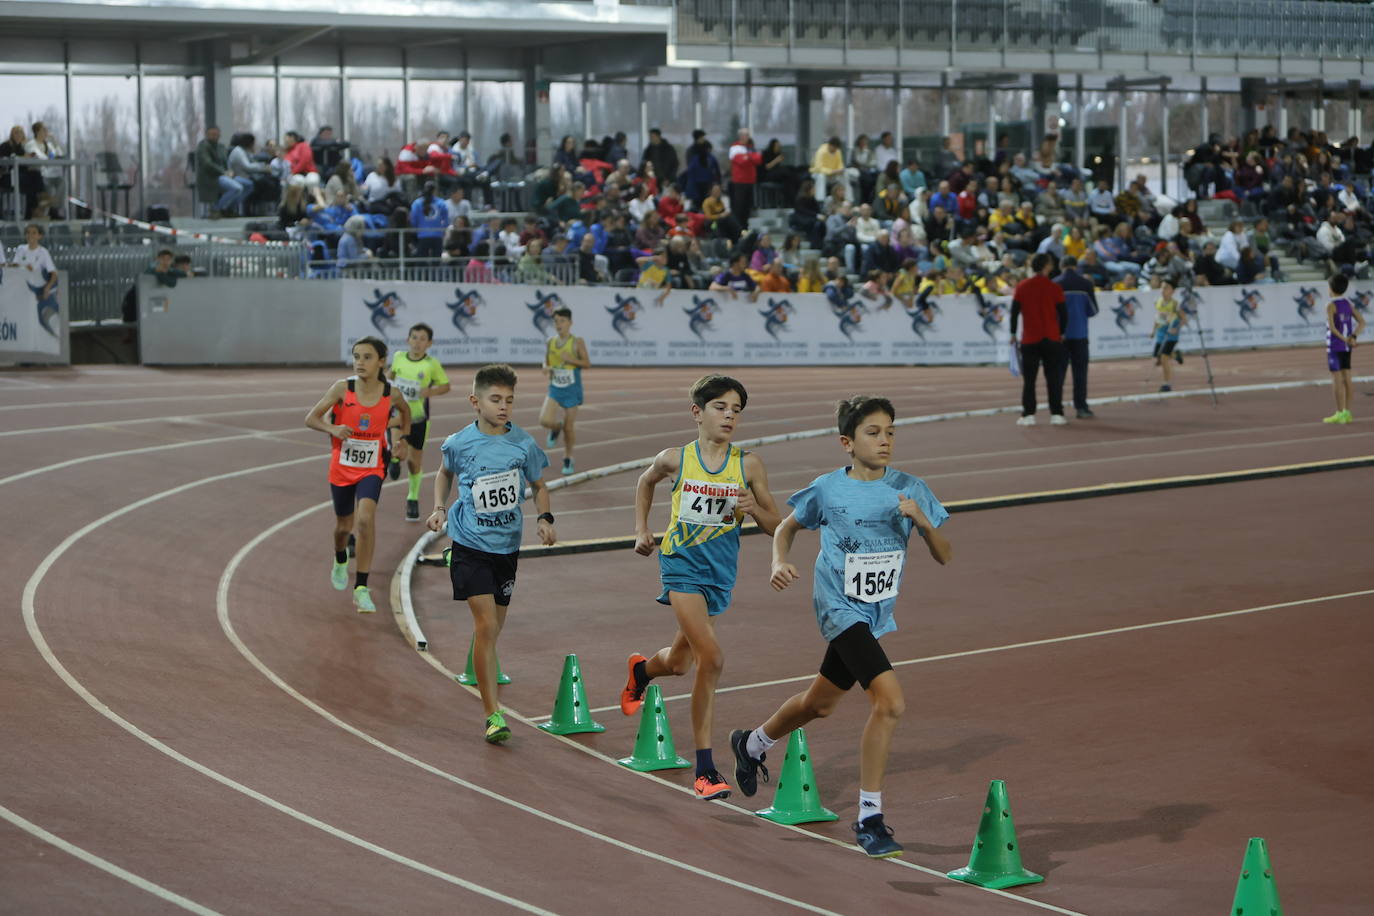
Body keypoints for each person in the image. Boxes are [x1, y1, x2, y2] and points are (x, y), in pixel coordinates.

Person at [729, 395, 951, 858]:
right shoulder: (828, 489)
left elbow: (945, 553)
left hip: (875, 611)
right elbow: (787, 527)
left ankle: (751, 743)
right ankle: (870, 818)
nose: (885, 440)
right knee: (890, 703)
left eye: (891, 431)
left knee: (820, 703)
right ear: (847, 442)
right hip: (837, 606)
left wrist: (923, 521)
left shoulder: (911, 488)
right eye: (873, 432)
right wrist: (778, 560)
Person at [622, 376, 783, 799]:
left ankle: (642, 670)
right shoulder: (676, 459)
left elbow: (777, 526)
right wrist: (641, 530)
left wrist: (754, 508)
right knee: (711, 658)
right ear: (697, 413)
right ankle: (706, 769)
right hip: (680, 567)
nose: (729, 415)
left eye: (736, 409)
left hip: (719, 577)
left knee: (679, 663)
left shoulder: (748, 465)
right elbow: (644, 482)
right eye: (719, 407)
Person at [427, 364, 557, 743]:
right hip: (470, 542)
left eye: (510, 400)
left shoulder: (523, 445)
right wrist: (438, 508)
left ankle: (456, 567)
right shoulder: (459, 443)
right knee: (485, 627)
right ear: (475, 401)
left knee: (494, 630)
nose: (504, 407)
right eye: (495, 399)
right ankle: (492, 715)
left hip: (507, 546)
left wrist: (545, 518)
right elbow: (443, 472)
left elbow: (540, 485)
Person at [305, 336, 412, 613]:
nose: (360, 362)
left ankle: (362, 588)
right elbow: (311, 418)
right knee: (343, 527)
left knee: (365, 520)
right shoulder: (343, 388)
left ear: (381, 361)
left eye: (366, 357)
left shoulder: (392, 393)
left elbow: (406, 412)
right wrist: (333, 429)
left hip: (372, 467)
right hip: (342, 466)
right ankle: (340, 557)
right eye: (356, 357)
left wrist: (404, 440)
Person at [386, 323, 451, 520]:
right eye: (414, 337)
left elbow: (445, 385)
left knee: (415, 463)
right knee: (397, 447)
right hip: (398, 414)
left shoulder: (431, 364)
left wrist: (429, 391)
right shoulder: (398, 357)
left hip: (419, 417)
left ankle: (412, 497)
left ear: (429, 343)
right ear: (408, 339)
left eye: (422, 339)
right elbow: (390, 376)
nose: (417, 342)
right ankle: (395, 460)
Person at [1010, 253, 1069, 425]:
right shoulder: (1054, 288)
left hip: (1030, 339)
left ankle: (1028, 414)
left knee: (1029, 379)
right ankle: (1056, 413)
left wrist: (1013, 333)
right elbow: (1064, 314)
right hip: (1051, 337)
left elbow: (1014, 312)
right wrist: (1061, 332)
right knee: (1053, 378)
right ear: (1046, 266)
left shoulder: (1022, 287)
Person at [536, 306, 592, 475]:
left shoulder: (577, 342)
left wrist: (571, 359)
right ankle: (555, 427)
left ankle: (568, 457)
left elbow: (587, 364)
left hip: (572, 389)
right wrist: (546, 368)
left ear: (570, 323)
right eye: (556, 322)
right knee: (544, 420)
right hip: (555, 387)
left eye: (562, 321)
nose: (558, 324)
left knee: (570, 427)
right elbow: (545, 361)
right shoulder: (550, 342)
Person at [1052, 256, 1100, 418]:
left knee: (1058, 373)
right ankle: (1081, 407)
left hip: (1060, 336)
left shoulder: (1055, 284)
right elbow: (1093, 310)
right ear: (1076, 266)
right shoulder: (1085, 284)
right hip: (1080, 334)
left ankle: (1057, 409)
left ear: (1061, 265)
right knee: (1080, 372)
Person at [1323, 273, 1364, 424]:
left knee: (1337, 379)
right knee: (1347, 377)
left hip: (1335, 346)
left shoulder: (1330, 305)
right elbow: (1362, 322)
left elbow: (1333, 329)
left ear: (1331, 288)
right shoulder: (1347, 304)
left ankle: (1339, 413)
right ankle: (1347, 412)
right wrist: (1353, 337)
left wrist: (1346, 339)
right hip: (1347, 347)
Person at [1151, 280, 1186, 392]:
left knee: (1164, 358)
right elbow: (1158, 318)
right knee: (1157, 359)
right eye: (1162, 288)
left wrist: (1176, 328)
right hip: (1161, 334)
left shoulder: (1175, 304)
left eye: (1166, 288)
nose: (1163, 290)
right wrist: (1153, 331)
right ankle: (1175, 355)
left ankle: (1167, 384)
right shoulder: (1158, 302)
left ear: (1172, 291)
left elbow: (1184, 319)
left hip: (1171, 335)